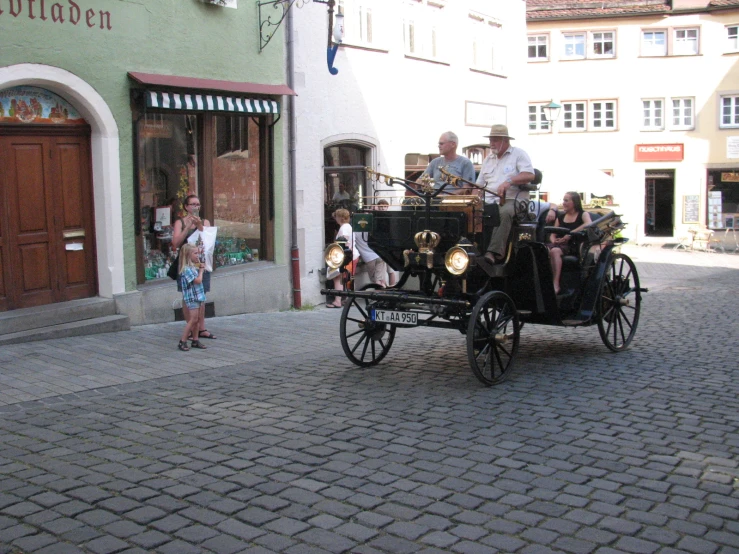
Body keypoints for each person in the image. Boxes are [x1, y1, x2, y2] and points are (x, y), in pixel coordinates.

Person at [475, 124, 535, 264]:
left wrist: (509, 181)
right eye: (490, 140)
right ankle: (471, 249)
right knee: (468, 213)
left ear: (505, 140)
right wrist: (474, 199)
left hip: (513, 199)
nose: (491, 143)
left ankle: (494, 252)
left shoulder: (518, 154)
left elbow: (529, 175)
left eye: (494, 140)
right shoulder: (488, 159)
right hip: (489, 200)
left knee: (505, 212)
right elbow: (478, 185)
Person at [172, 194, 217, 340]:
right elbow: (175, 243)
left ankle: (201, 328)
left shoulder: (205, 221)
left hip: (199, 262)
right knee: (187, 296)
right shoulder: (179, 222)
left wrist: (199, 226)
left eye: (198, 204)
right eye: (193, 204)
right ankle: (191, 328)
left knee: (201, 295)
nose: (196, 207)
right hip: (185, 263)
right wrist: (187, 228)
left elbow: (207, 241)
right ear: (186, 207)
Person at [548, 192, 593, 295]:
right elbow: (553, 234)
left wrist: (571, 234)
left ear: (574, 202)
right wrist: (554, 240)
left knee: (554, 251)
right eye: (563, 200)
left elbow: (589, 224)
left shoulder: (583, 214)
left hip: (573, 245)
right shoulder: (561, 217)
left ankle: (555, 284)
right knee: (541, 250)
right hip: (559, 244)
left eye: (566, 200)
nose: (563, 203)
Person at [178, 243, 207, 351]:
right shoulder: (186, 269)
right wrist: (201, 271)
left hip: (199, 297)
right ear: (187, 255)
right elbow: (198, 280)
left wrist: (199, 264)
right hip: (192, 298)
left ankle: (195, 340)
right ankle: (183, 341)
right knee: (193, 319)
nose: (197, 255)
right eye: (195, 253)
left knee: (198, 320)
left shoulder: (193, 267)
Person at [327, 208, 359, 308]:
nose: (335, 219)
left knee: (338, 278)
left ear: (340, 218)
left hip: (347, 256)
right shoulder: (348, 226)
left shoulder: (344, 227)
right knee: (347, 279)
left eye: (336, 216)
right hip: (352, 255)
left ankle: (338, 300)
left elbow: (343, 241)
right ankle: (348, 299)